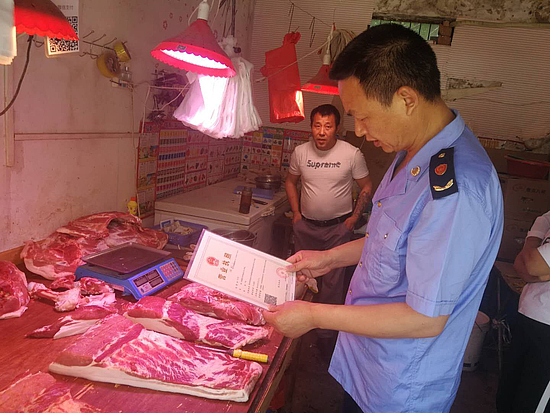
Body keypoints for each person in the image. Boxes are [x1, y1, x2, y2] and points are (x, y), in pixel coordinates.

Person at [263, 23, 504, 413]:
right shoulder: (410, 152)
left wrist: (313, 315)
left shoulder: (455, 189)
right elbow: (387, 240)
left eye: (363, 117)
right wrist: (327, 259)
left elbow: (425, 319)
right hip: (367, 364)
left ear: (406, 99)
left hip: (400, 386)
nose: (359, 131)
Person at [285, 104, 372, 354]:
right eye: (317, 126)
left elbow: (366, 186)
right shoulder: (300, 152)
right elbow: (290, 182)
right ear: (311, 127)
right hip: (306, 227)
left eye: (328, 126)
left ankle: (325, 337)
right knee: (301, 277)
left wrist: (354, 218)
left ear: (337, 128)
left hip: (337, 228)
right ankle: (295, 329)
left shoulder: (352, 154)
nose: (322, 132)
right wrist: (296, 213)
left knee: (333, 283)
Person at [496, 210, 550, 413]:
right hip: (529, 315)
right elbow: (521, 265)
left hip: (547, 328)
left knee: (530, 404)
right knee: (506, 397)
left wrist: (533, 245)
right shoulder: (547, 218)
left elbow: (534, 265)